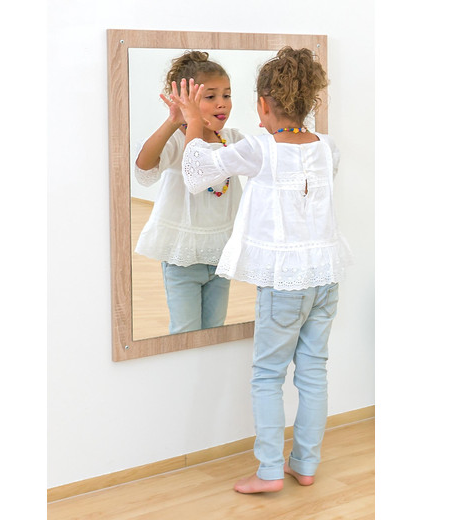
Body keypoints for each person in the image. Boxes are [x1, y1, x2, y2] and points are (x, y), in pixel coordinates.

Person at [171, 47, 353, 493]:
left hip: (285, 284)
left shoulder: (259, 149)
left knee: (268, 375)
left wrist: (191, 118)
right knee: (313, 372)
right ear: (308, 101)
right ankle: (304, 463)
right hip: (325, 278)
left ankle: (270, 470)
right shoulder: (327, 146)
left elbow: (197, 174)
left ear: (263, 104)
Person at [134, 51, 245, 334]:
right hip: (182, 257)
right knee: (185, 331)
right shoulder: (176, 139)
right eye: (210, 96)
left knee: (214, 329)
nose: (222, 103)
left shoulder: (232, 140)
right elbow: (144, 166)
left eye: (227, 95)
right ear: (186, 102)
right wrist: (174, 121)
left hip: (220, 254)